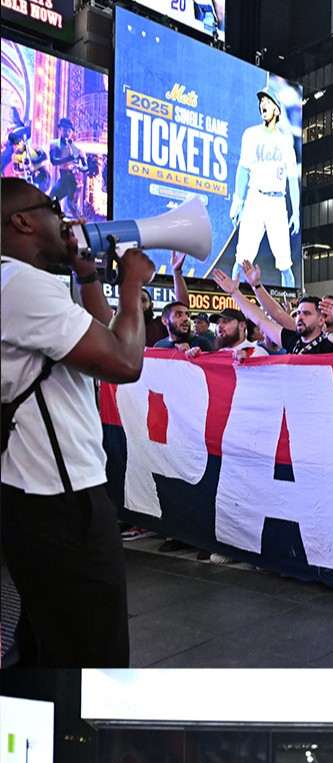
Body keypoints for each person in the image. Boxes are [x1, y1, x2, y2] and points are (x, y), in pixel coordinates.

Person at [1, 176, 155, 666]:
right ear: (21, 221)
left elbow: (103, 335)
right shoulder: (19, 285)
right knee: (94, 659)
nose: (65, 221)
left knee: (49, 641)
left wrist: (89, 277)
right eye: (52, 208)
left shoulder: (17, 285)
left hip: (34, 493)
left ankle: (35, 737)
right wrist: (132, 282)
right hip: (61, 502)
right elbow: (124, 362)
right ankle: (78, 743)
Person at [229, 83, 300, 288]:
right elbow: (243, 169)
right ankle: (232, 298)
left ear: (277, 109)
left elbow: (292, 179)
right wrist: (237, 201)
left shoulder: (285, 140)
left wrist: (295, 211)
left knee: (285, 262)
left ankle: (291, 307)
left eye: (268, 101)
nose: (263, 105)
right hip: (255, 198)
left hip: (277, 201)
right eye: (261, 101)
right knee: (242, 258)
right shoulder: (250, 134)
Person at [211, 271, 333, 354]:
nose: (300, 317)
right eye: (298, 313)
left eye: (306, 313)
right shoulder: (293, 341)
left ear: (321, 320)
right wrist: (235, 293)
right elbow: (261, 320)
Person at [47, 117, 86, 214]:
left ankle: (80, 223)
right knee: (50, 200)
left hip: (73, 179)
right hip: (63, 178)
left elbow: (85, 167)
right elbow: (53, 161)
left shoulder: (76, 148)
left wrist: (81, 165)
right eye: (64, 129)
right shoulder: (54, 144)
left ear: (72, 132)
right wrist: (70, 158)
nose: (67, 132)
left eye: (69, 130)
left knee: (71, 205)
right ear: (60, 129)